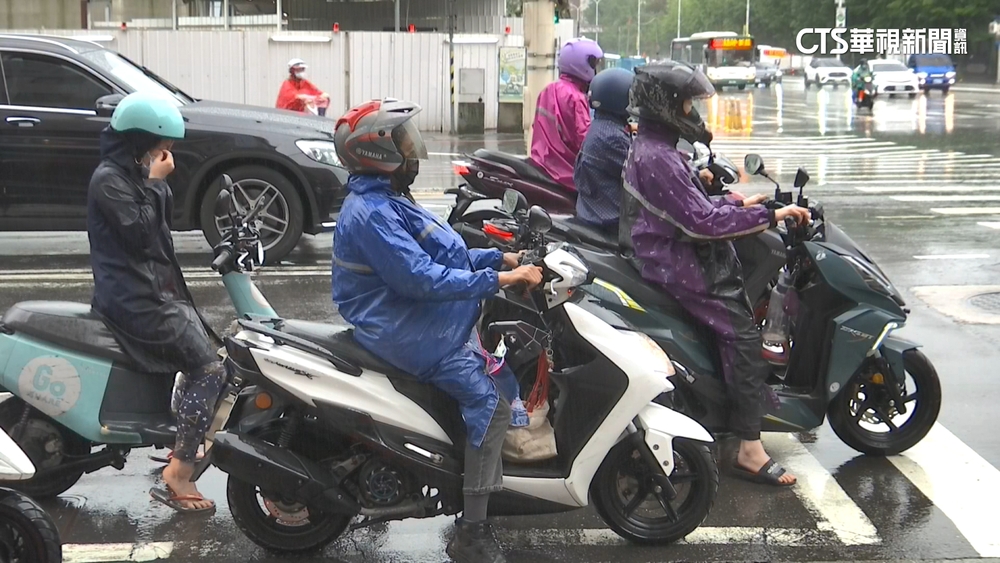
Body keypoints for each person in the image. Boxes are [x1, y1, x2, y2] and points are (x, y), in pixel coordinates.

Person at [330, 99, 543, 563]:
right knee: (490, 401)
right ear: (379, 153)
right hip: (406, 328)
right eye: (404, 141)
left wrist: (498, 259)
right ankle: (472, 531)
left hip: (412, 317)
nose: (414, 150)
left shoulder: (385, 200)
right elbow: (421, 278)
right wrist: (500, 280)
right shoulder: (373, 214)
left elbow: (440, 253)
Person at [620, 61, 811, 487]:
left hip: (667, 249)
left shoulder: (656, 147)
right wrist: (771, 214)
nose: (693, 111)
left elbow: (692, 208)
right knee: (744, 335)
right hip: (674, 260)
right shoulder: (659, 156)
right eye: (687, 102)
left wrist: (740, 205)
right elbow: (699, 225)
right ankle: (749, 448)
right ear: (665, 104)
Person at [88, 92, 226, 513]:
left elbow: (160, 228)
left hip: (154, 291)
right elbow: (140, 236)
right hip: (134, 299)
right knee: (208, 369)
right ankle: (179, 472)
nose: (165, 154)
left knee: (217, 353)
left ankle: (181, 441)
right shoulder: (111, 180)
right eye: (158, 145)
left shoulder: (131, 175)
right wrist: (155, 182)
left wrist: (152, 183)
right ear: (137, 141)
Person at [529, 37, 604, 191]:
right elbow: (585, 141)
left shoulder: (548, 90)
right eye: (593, 64)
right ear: (582, 64)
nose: (595, 69)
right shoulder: (576, 98)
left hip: (541, 163)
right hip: (564, 172)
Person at [574, 67, 635, 234]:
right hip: (610, 222)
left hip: (592, 212)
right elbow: (641, 173)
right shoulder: (613, 138)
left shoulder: (601, 126)